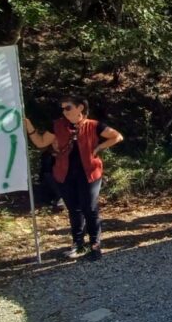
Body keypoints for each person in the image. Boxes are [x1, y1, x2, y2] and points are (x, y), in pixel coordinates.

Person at [24, 95, 123, 260]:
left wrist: (99, 147)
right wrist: (30, 128)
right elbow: (41, 142)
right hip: (64, 174)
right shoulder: (58, 126)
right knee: (74, 210)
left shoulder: (93, 125)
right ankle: (78, 243)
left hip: (90, 174)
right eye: (62, 108)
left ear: (80, 108)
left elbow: (117, 136)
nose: (64, 111)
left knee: (90, 209)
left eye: (68, 107)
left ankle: (95, 246)